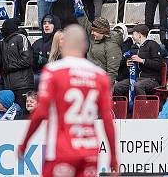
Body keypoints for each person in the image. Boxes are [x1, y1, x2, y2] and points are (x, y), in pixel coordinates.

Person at [17, 25, 118, 174]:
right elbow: (107, 118)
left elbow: (40, 113)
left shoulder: (53, 71)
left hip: (61, 150)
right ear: (85, 46)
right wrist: (113, 157)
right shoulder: (99, 75)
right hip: (89, 150)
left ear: (63, 44)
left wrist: (24, 144)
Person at [0, 19, 34, 110]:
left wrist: (9, 67)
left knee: (23, 113)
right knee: (13, 115)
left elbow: (27, 60)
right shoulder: (4, 42)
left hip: (23, 85)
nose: (2, 30)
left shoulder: (21, 38)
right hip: (10, 87)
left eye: (4, 28)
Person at [113, 24, 164, 97]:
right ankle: (124, 108)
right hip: (137, 78)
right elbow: (132, 64)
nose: (132, 36)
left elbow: (159, 64)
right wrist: (128, 64)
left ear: (139, 35)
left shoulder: (153, 45)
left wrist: (142, 60)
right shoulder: (133, 47)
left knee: (138, 86)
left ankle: (143, 108)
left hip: (152, 79)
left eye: (133, 34)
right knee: (117, 87)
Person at [31, 14, 61, 83]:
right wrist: (35, 60)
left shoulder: (60, 41)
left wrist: (42, 60)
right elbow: (32, 66)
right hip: (38, 75)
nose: (46, 25)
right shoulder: (37, 43)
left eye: (50, 23)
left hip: (55, 75)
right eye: (44, 23)